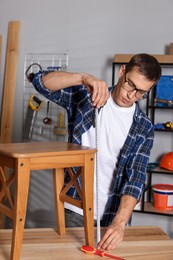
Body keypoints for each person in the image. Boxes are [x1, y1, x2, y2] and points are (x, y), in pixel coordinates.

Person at [29, 53, 161, 251]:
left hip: (113, 218)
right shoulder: (87, 97)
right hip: (76, 208)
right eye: (130, 85)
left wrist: (120, 222)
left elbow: (136, 178)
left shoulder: (143, 127)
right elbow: (40, 82)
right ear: (122, 71)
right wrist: (83, 78)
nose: (131, 96)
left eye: (141, 92)